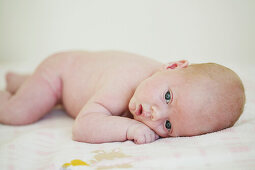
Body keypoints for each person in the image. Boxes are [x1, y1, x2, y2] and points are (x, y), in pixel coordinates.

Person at [0, 51, 245, 144]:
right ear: (172, 65)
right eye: (168, 97)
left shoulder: (155, 84)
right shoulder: (124, 81)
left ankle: (18, 82)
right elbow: (83, 126)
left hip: (73, 80)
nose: (154, 114)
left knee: (31, 91)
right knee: (19, 112)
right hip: (59, 75)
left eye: (168, 126)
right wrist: (128, 128)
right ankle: (11, 95)